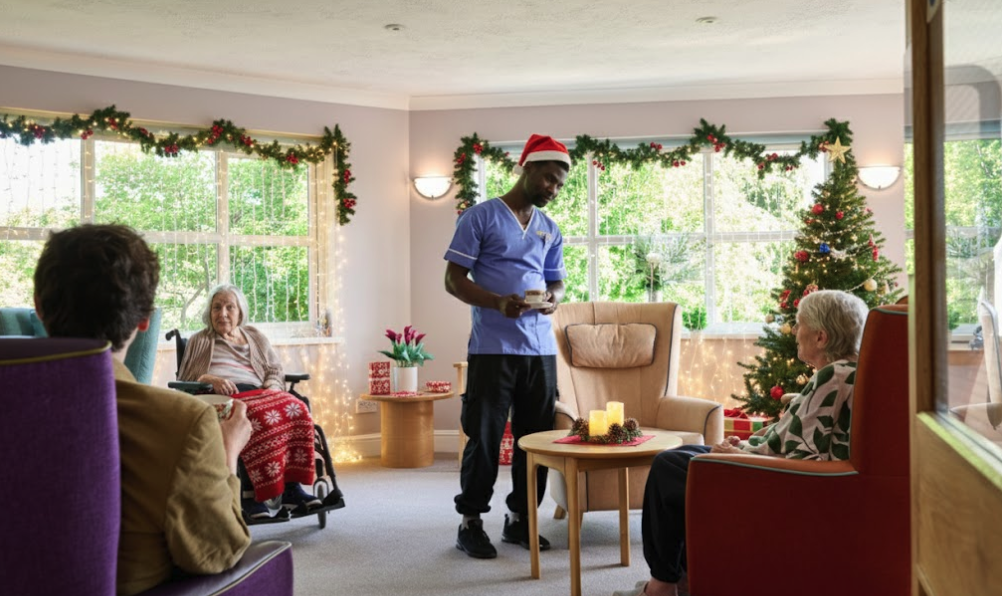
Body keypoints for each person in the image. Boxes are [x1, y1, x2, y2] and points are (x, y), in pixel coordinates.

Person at [33, 224, 252, 596]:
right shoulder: (185, 423)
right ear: (145, 319)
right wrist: (228, 454)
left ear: (38, 307)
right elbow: (220, 553)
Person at [615, 289, 869, 596]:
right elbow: (799, 433)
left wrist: (738, 452)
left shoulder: (832, 377)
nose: (795, 331)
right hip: (777, 466)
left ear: (821, 337)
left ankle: (662, 586)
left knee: (668, 467)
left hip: (784, 481)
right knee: (683, 456)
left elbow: (804, 455)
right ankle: (683, 579)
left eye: (800, 324)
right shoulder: (851, 371)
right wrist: (750, 442)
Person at [445, 133, 571, 559]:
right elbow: (453, 280)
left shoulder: (548, 228)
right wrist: (497, 302)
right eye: (550, 179)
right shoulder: (480, 218)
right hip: (492, 349)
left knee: (535, 440)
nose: (553, 189)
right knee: (483, 437)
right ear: (528, 168)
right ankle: (470, 522)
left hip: (540, 351)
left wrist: (554, 297)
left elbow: (555, 279)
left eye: (559, 185)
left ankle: (520, 520)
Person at [177, 283, 342, 519]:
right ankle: (250, 497)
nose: (222, 313)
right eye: (216, 307)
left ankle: (292, 490)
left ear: (240, 312)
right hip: (223, 397)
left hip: (262, 392)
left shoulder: (254, 336)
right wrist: (210, 378)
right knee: (251, 415)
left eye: (229, 307)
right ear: (209, 312)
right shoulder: (199, 340)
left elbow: (274, 369)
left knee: (298, 408)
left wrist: (273, 389)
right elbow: (187, 378)